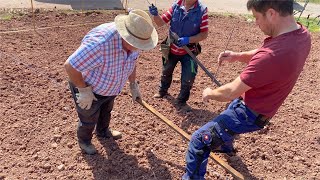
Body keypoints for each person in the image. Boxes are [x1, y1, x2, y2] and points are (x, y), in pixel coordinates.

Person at [182, 0, 311, 179]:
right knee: (229, 113)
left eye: (257, 17)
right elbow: (266, 50)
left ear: (272, 13)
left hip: (249, 114)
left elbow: (231, 91)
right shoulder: (302, 35)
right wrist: (238, 56)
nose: (256, 23)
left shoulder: (270, 58)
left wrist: (209, 93)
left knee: (199, 140)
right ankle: (224, 145)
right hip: (261, 106)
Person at [64, 9, 158, 155]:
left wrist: (133, 84)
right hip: (88, 87)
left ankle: (102, 131)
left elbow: (132, 62)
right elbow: (70, 66)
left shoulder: (136, 39)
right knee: (88, 117)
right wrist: (83, 90)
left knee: (106, 111)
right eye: (138, 44)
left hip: (111, 87)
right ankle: (85, 141)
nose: (140, 49)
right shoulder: (100, 44)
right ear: (127, 37)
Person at [148, 0, 208, 109]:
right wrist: (155, 15)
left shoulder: (202, 11)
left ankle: (182, 100)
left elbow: (204, 34)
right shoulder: (176, 6)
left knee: (189, 76)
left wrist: (189, 39)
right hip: (171, 47)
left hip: (189, 51)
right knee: (166, 71)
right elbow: (160, 22)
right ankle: (162, 91)